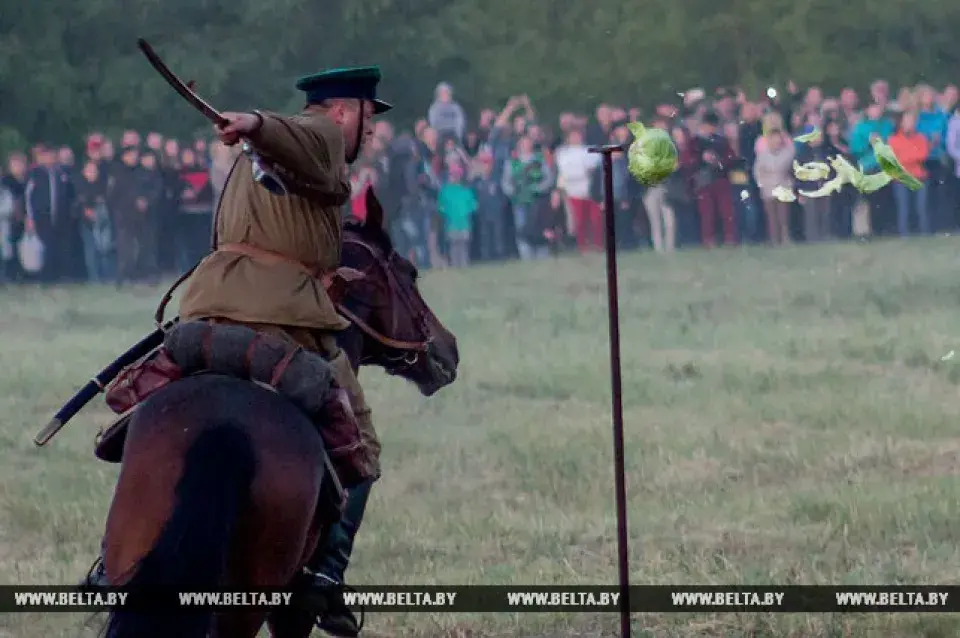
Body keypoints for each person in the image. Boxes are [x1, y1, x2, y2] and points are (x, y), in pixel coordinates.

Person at [84, 66, 392, 635]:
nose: (371, 130)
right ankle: (323, 581)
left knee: (158, 415)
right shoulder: (318, 134)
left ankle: (114, 563)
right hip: (283, 324)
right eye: (370, 117)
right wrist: (253, 122)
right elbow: (295, 135)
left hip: (207, 313)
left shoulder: (262, 161)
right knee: (363, 447)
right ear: (344, 110)